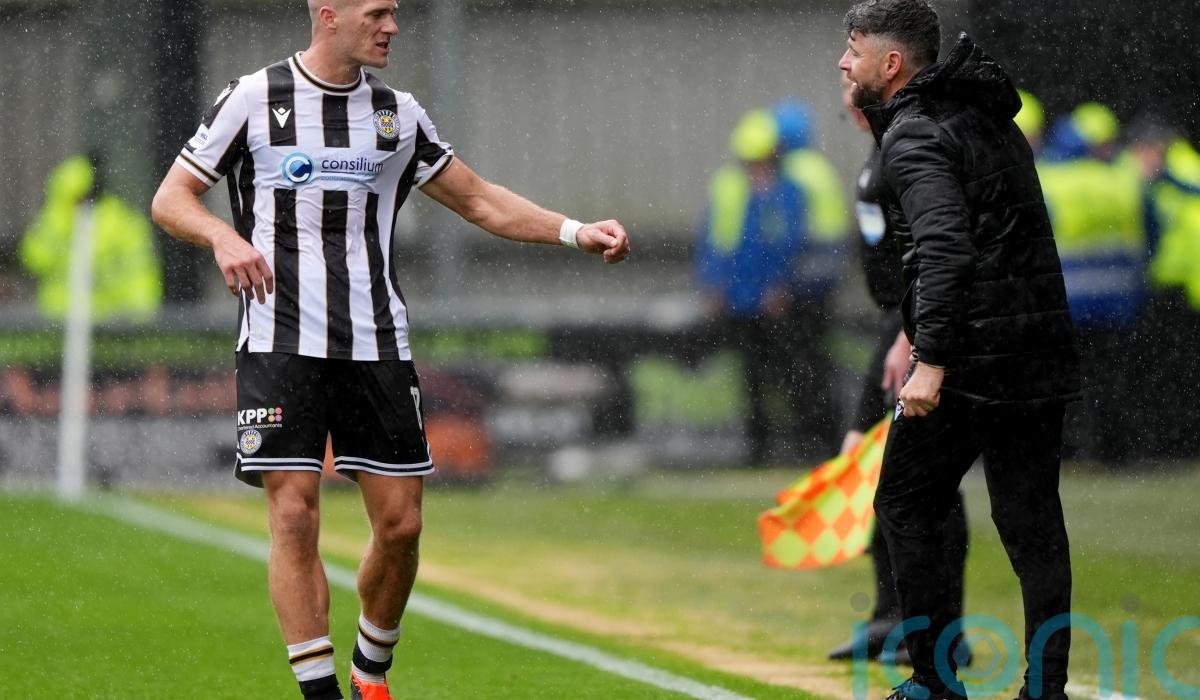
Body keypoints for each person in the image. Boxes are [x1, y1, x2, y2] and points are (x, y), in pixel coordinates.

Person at [150, 2, 629, 699]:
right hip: (280, 340)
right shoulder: (253, 98)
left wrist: (574, 231)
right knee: (294, 515)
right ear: (329, 15)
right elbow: (171, 198)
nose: (392, 27)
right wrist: (223, 236)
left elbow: (480, 200)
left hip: (375, 342)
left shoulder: (397, 114)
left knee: (402, 526)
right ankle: (321, 693)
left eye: (395, 13)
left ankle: (370, 672)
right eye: (377, 12)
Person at [838, 1, 1080, 699]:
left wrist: (932, 360)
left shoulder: (913, 133)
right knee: (1033, 524)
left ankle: (934, 682)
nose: (843, 63)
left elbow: (945, 250)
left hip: (973, 358)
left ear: (892, 64)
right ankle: (1047, 689)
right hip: (1037, 349)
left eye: (853, 50)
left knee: (906, 502)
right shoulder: (987, 115)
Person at [826, 76, 968, 668]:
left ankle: (944, 629)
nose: (844, 75)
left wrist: (912, 332)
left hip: (913, 327)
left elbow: (933, 253)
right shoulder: (879, 148)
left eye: (851, 64)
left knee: (925, 482)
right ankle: (892, 616)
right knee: (879, 470)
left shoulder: (911, 148)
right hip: (895, 322)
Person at [695, 108, 842, 465]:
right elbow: (715, 240)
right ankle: (759, 446)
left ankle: (806, 443)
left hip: (773, 301)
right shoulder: (734, 187)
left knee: (795, 372)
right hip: (742, 299)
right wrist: (713, 284)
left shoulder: (789, 192)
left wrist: (781, 287)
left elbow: (788, 246)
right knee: (753, 376)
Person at [1037, 103, 1147, 465]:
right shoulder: (1124, 177)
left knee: (1067, 381)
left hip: (1065, 301)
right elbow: (1151, 232)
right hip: (1117, 301)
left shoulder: (1047, 177)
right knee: (1114, 379)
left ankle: (1072, 449)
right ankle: (1113, 450)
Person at [21, 153, 162, 323]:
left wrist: (139, 320)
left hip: (112, 321)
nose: (77, 205)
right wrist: (58, 221)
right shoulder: (54, 220)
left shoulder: (121, 224)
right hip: (58, 320)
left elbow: (139, 274)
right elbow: (33, 261)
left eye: (81, 197)